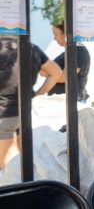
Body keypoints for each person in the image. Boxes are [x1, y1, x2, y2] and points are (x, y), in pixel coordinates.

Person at [0, 37, 64, 171]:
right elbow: (56, 72)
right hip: (27, 114)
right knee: (24, 168)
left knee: (7, 171)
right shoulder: (32, 49)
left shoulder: (2, 47)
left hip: (4, 117)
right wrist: (39, 94)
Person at [48, 22, 91, 101]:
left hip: (68, 103)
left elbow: (65, 77)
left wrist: (47, 72)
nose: (54, 38)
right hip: (62, 102)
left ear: (65, 35)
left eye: (56, 34)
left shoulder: (79, 52)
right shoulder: (71, 52)